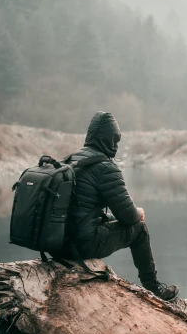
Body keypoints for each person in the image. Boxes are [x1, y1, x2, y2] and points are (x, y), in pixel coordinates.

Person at [64, 111, 178, 301]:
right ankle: (154, 288)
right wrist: (139, 212)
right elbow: (129, 217)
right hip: (83, 245)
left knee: (109, 218)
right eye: (114, 140)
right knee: (140, 229)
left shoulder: (72, 160)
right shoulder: (105, 167)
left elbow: (84, 211)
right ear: (106, 139)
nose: (116, 145)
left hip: (60, 244)